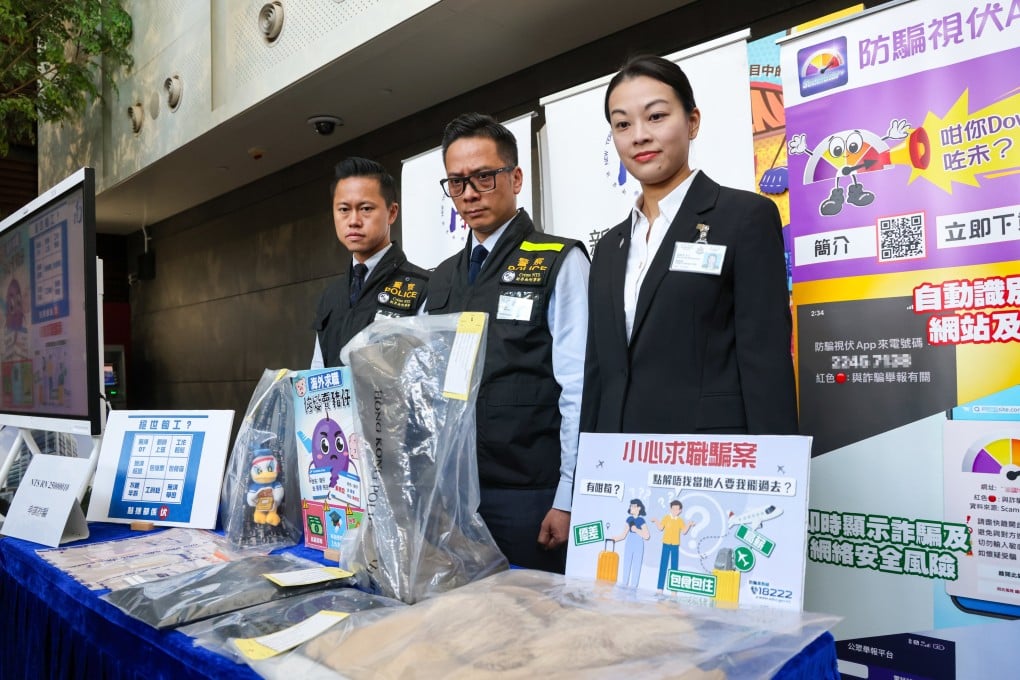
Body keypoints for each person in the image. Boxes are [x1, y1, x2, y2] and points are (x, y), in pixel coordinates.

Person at [581, 55, 798, 436]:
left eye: (656, 116)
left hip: (708, 464)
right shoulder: (609, 247)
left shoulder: (744, 218)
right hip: (620, 466)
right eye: (622, 124)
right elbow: (599, 374)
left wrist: (778, 478)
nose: (639, 136)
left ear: (692, 122)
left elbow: (766, 363)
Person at [424, 112, 590, 573]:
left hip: (531, 497)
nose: (470, 193)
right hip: (455, 499)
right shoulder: (440, 279)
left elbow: (580, 388)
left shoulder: (560, 261)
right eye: (456, 182)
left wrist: (569, 496)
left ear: (515, 177)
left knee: (537, 635)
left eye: (483, 176)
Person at [311, 157, 429, 368]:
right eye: (344, 209)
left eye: (365, 208)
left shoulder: (424, 287)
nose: (353, 220)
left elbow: (427, 374)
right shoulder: (331, 295)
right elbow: (318, 371)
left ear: (392, 212)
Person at [651, 499, 694, 593]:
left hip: (675, 545)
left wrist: (689, 524)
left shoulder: (680, 520)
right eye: (673, 509)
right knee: (663, 565)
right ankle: (660, 588)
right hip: (666, 544)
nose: (675, 511)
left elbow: (684, 531)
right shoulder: (666, 517)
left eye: (677, 509)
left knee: (674, 567)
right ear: (670, 509)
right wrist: (656, 521)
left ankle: (674, 589)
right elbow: (660, 527)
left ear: (680, 511)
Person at [612, 498, 649, 589]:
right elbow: (624, 534)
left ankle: (633, 586)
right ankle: (624, 584)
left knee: (636, 565)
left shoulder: (641, 521)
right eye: (630, 506)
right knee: (626, 563)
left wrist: (636, 530)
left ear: (639, 508)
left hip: (638, 543)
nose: (631, 508)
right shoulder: (629, 519)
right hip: (629, 542)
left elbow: (646, 536)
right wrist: (615, 539)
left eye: (633, 506)